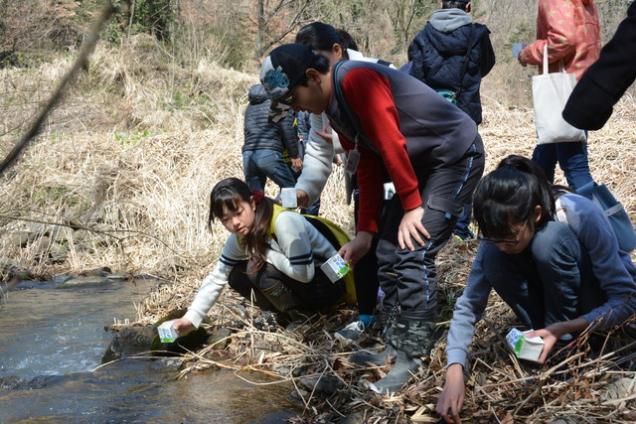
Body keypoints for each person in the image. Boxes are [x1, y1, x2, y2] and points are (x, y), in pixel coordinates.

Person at [260, 42, 485, 394]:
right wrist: (365, 232)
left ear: (313, 77)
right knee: (385, 253)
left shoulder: (356, 79)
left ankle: (413, 354)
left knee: (414, 250)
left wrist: (412, 207)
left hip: (453, 155)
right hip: (419, 166)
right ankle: (393, 343)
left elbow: (390, 140)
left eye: (293, 98)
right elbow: (366, 163)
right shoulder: (333, 108)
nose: (296, 107)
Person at [436, 156, 636, 423]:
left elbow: (626, 299)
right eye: (493, 238)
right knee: (492, 260)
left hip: (592, 301)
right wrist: (454, 371)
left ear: (537, 213)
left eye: (510, 239)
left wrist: (568, 327)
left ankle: (569, 346)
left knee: (549, 242)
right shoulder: (497, 236)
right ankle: (546, 341)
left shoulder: (578, 213)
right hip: (554, 310)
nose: (503, 245)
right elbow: (469, 304)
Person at [292, 22, 395, 344]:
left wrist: (341, 140)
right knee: (363, 244)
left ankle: (398, 317)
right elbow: (317, 148)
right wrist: (305, 190)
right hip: (364, 173)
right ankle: (366, 316)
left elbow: (387, 132)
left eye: (319, 63)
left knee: (394, 247)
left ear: (338, 51)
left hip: (396, 171)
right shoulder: (315, 90)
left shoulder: (374, 74)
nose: (315, 73)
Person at [173, 178, 347, 335]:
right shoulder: (240, 237)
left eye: (238, 213)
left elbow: (304, 274)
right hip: (313, 279)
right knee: (236, 275)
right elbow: (217, 277)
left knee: (256, 268)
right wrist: (190, 319)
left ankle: (305, 318)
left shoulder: (284, 221)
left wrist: (267, 254)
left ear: (252, 203)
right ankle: (285, 315)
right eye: (226, 219)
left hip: (337, 277)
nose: (234, 223)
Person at [408, 0, 495, 239]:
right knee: (465, 164)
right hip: (465, 110)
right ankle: (459, 228)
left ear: (440, 3)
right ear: (468, 6)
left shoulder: (423, 35)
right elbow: (486, 65)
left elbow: (414, 75)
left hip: (430, 113)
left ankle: (428, 221)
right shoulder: (478, 35)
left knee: (431, 165)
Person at [518, 0, 601, 191]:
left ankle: (598, 218)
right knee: (542, 161)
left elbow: (563, 39)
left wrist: (526, 53)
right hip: (583, 86)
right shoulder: (585, 4)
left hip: (563, 94)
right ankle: (535, 212)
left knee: (575, 166)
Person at [563, 1, 636, 131]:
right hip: (583, 77)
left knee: (565, 141)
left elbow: (561, 39)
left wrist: (527, 53)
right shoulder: (589, 7)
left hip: (570, 80)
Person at [242, 84, 302, 193]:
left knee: (256, 197)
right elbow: (287, 129)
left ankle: (265, 210)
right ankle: (282, 210)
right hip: (268, 153)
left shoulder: (249, 108)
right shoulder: (278, 104)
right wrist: (294, 155)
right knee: (289, 190)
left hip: (248, 155)